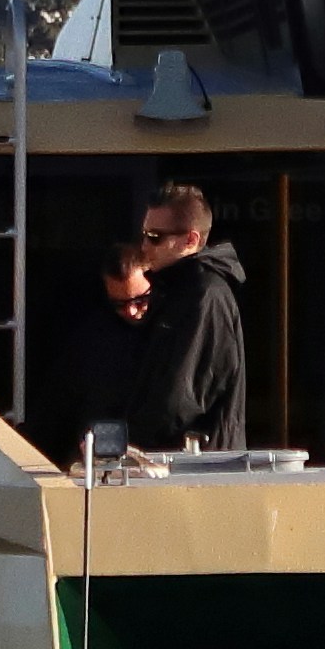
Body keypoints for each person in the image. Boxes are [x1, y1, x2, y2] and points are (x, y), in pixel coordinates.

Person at [109, 182, 249, 453]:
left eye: (155, 236)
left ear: (191, 240)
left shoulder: (204, 295)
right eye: (144, 234)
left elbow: (179, 398)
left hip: (195, 467)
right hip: (176, 463)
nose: (144, 245)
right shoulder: (175, 292)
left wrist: (126, 444)